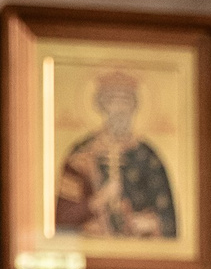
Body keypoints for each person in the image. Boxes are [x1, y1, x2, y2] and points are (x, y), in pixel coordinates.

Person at [56, 72, 177, 240]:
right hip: (92, 246)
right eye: (112, 101)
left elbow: (169, 218)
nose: (120, 108)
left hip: (138, 248)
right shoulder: (81, 156)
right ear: (101, 105)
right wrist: (98, 200)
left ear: (134, 106)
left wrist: (152, 223)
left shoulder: (147, 156)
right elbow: (62, 218)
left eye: (126, 101)